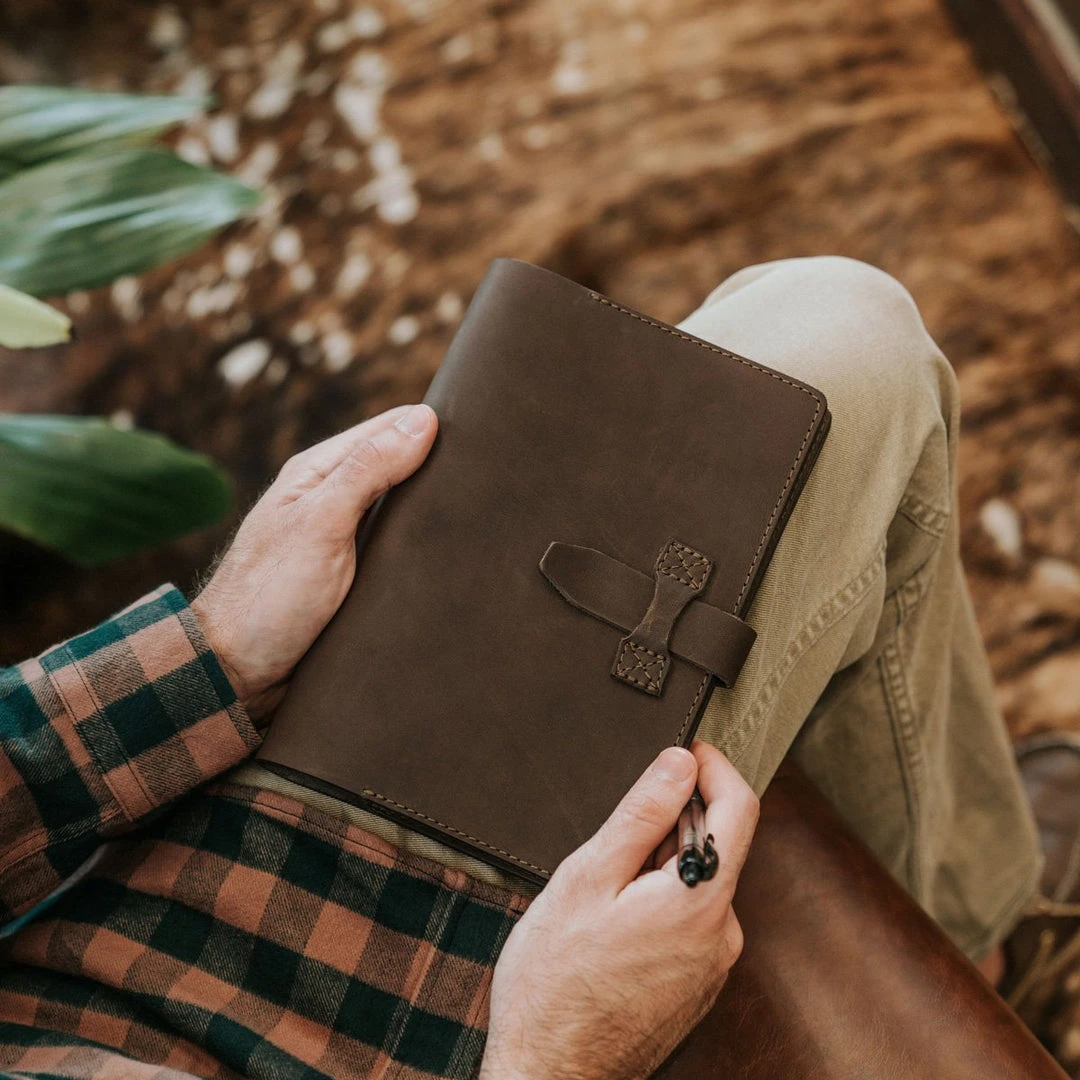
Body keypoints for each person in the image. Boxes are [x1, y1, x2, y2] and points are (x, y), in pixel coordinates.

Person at [0, 256, 1070, 1079]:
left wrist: (210, 651)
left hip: (209, 844)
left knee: (840, 341)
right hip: (476, 1029)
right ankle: (983, 945)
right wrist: (553, 1058)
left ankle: (974, 939)